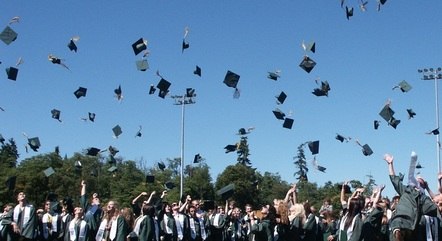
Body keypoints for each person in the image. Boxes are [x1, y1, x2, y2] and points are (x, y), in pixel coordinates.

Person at [384, 153, 438, 241]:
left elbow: (436, 207)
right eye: (416, 182)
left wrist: (429, 188)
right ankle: (398, 232)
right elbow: (395, 180)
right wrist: (390, 164)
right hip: (398, 224)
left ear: (423, 187)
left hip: (410, 228)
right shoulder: (406, 190)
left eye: (421, 183)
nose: (417, 184)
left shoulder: (423, 199)